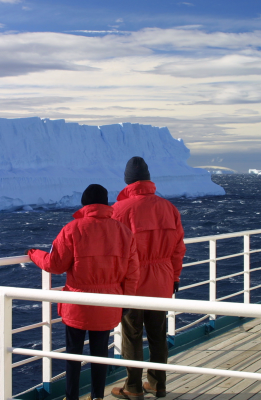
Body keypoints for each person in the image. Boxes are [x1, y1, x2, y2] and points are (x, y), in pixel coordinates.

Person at [27, 184, 140, 400]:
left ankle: (72, 397)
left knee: (73, 355)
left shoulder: (72, 229)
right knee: (100, 354)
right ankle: (97, 396)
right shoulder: (123, 232)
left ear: (85, 204)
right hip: (109, 302)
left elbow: (55, 264)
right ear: (106, 203)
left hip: (78, 304)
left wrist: (33, 253)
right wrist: (126, 301)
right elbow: (132, 272)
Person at [110, 157, 186, 399]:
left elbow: (114, 249)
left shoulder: (119, 210)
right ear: (148, 179)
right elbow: (178, 248)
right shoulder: (169, 208)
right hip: (162, 279)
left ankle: (132, 387)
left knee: (132, 334)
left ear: (128, 181)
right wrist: (174, 277)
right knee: (158, 334)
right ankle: (157, 384)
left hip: (132, 281)